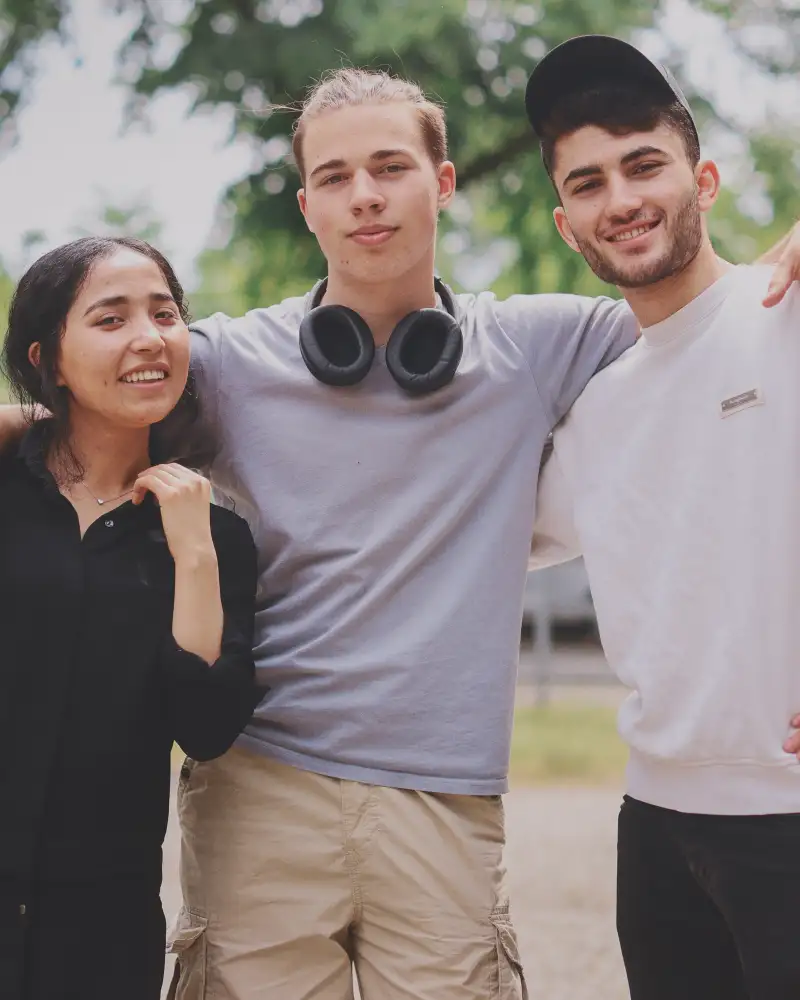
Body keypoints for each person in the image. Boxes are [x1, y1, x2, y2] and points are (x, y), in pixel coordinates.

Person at [0, 72, 798, 1000]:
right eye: (335, 177)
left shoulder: (544, 346)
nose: (365, 195)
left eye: (390, 166)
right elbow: (90, 391)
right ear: (307, 206)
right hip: (261, 789)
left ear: (445, 182)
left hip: (444, 801)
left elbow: (701, 312)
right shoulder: (221, 364)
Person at [526, 34, 800, 1000]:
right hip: (655, 826)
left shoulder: (786, 314)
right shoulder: (595, 410)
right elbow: (447, 540)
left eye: (646, 165)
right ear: (567, 226)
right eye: (589, 183)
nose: (624, 200)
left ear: (707, 178)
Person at [0, 236, 259, 1000]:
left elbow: (206, 726)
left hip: (102, 919)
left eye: (165, 314)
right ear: (49, 358)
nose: (149, 338)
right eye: (110, 319)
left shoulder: (217, 538)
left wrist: (196, 553)